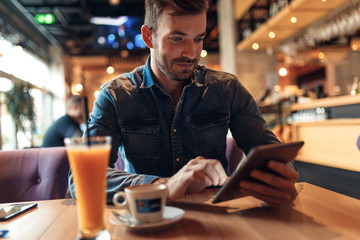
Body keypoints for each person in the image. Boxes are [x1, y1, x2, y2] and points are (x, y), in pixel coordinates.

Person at [69, 0, 298, 206]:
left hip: (215, 219)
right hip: (147, 221)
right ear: (148, 36)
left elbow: (274, 156)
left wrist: (281, 177)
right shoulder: (115, 95)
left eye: (198, 39)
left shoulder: (227, 89)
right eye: (177, 38)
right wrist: (163, 186)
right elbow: (81, 178)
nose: (191, 53)